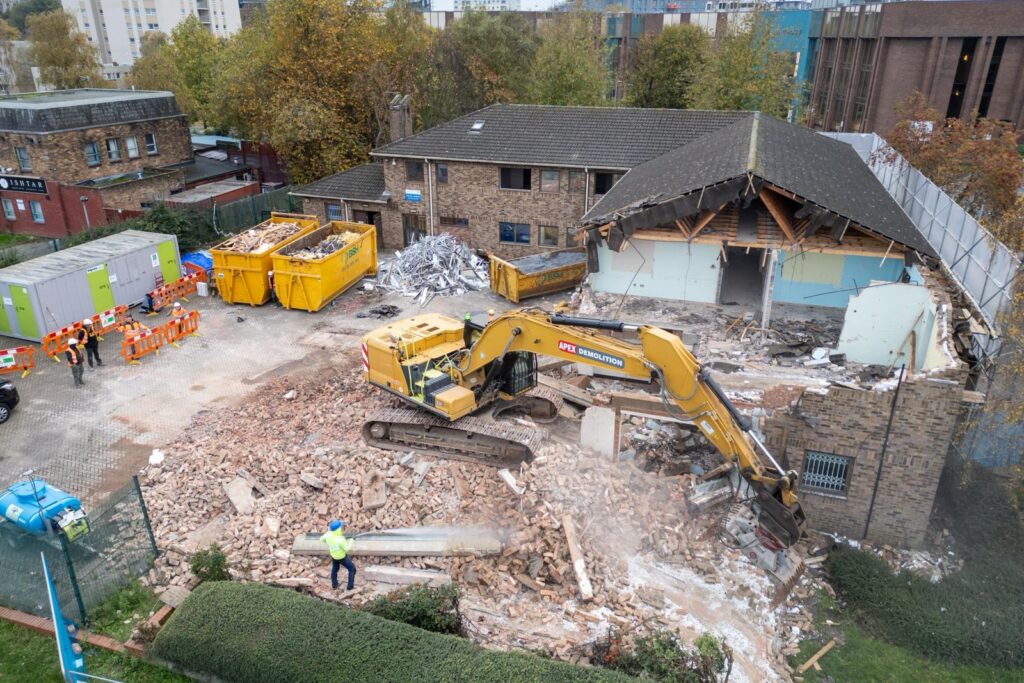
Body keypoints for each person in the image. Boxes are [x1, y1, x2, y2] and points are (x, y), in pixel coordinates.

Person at [319, 520, 356, 591]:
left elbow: (321, 540)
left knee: (335, 569)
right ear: (338, 529)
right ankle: (350, 587)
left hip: (334, 556)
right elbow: (347, 548)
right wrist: (352, 540)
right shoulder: (340, 539)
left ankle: (334, 585)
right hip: (342, 557)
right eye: (341, 527)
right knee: (352, 569)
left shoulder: (328, 534)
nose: (342, 527)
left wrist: (328, 541)